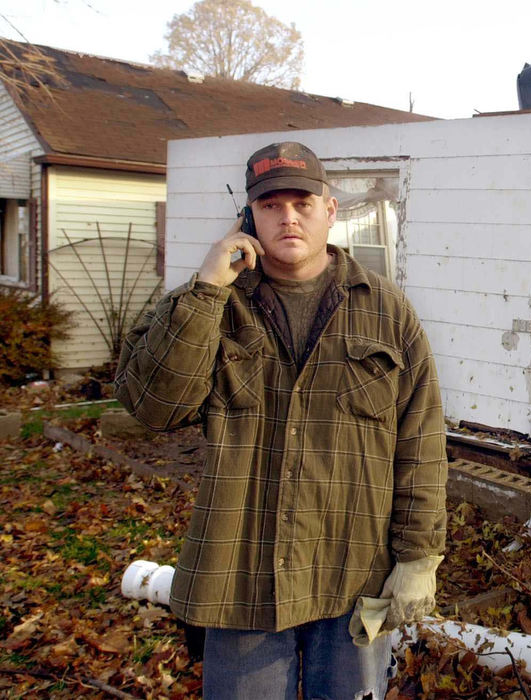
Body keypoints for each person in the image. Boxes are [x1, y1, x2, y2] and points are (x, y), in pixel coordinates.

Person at [114, 141, 447, 699]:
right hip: (241, 571)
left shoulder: (388, 311)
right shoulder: (212, 304)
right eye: (271, 205)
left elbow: (421, 440)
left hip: (353, 569)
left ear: (330, 209)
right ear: (249, 216)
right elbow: (154, 407)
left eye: (303, 202)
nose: (288, 217)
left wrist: (419, 556)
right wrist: (205, 290)